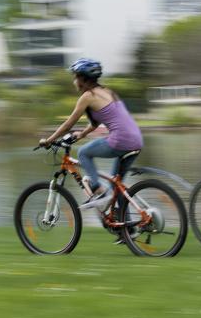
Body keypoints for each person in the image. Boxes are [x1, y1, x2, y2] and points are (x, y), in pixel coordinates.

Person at [39, 58, 143, 210]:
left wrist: (49, 140)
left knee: (83, 152)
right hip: (137, 140)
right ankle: (127, 229)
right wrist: (82, 134)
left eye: (75, 77)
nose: (74, 81)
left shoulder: (87, 96)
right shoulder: (108, 92)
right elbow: (96, 122)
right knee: (116, 186)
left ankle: (97, 190)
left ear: (82, 78)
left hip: (120, 140)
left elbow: (69, 124)